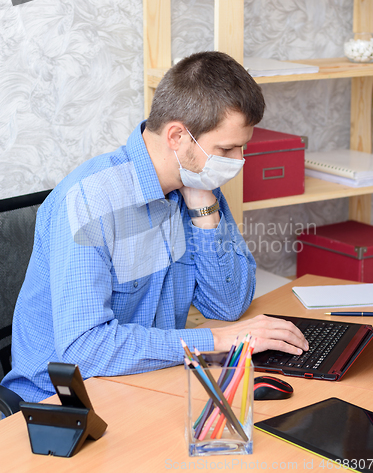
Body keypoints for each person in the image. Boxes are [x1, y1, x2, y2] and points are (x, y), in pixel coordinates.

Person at [2, 51, 308, 402]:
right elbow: (83, 349)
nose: (238, 161)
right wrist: (219, 341)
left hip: (144, 380)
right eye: (226, 149)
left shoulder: (195, 183)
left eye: (242, 148)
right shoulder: (91, 200)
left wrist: (204, 207)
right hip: (59, 404)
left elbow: (228, 306)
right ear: (177, 136)